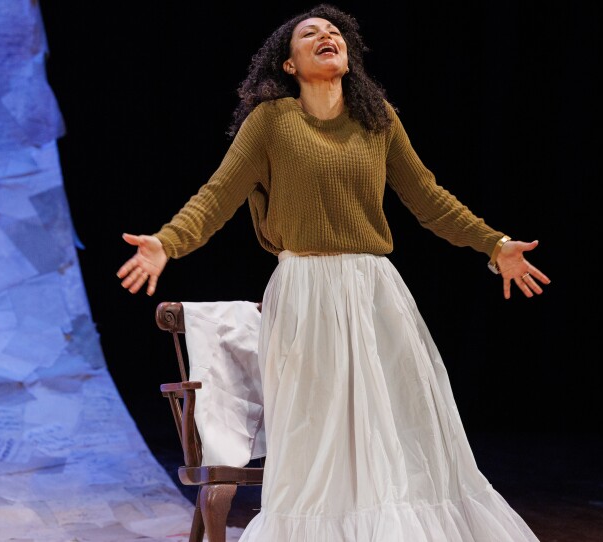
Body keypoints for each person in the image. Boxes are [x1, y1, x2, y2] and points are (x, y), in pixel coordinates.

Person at [117, 4, 550, 540]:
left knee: (390, 428)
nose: (328, 35)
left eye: (335, 31)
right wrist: (167, 242)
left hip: (374, 292)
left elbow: (429, 198)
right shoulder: (271, 123)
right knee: (315, 435)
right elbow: (216, 196)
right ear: (288, 64)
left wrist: (495, 244)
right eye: (310, 33)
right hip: (304, 292)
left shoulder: (377, 120)